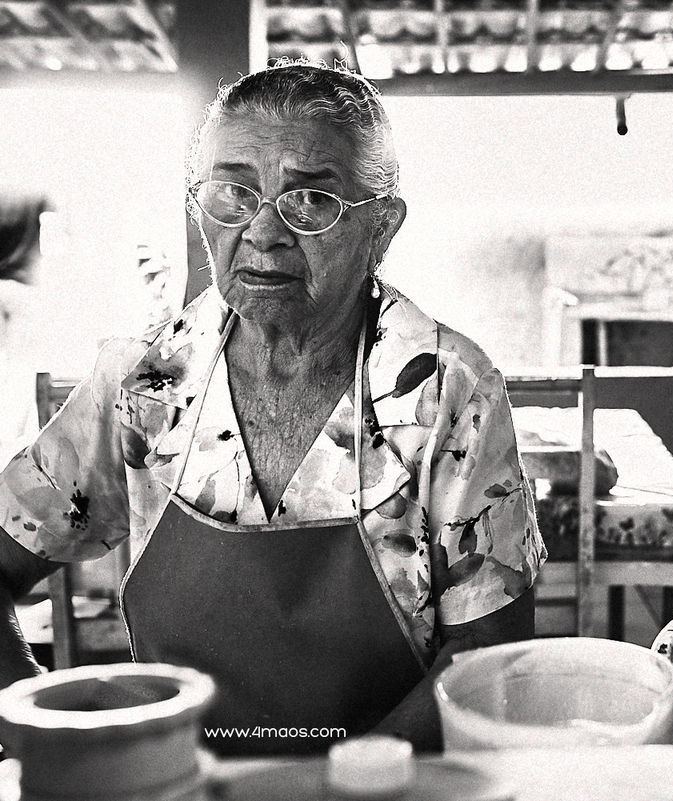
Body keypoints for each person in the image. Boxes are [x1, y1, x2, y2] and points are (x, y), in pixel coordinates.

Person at [0, 61, 546, 757]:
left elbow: (486, 654)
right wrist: (43, 733)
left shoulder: (447, 394)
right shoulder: (144, 385)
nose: (262, 232)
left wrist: (333, 785)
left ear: (381, 225)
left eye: (310, 200)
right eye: (233, 192)